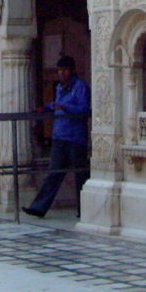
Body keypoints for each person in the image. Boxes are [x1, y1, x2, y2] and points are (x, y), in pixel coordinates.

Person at [23, 55, 90, 218]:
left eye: (65, 70)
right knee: (54, 172)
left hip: (75, 137)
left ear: (72, 70)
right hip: (60, 136)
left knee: (81, 174)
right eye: (60, 70)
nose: (62, 73)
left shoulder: (80, 87)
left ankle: (85, 210)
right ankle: (38, 207)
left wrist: (65, 106)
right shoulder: (60, 87)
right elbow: (56, 105)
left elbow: (84, 109)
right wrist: (45, 108)